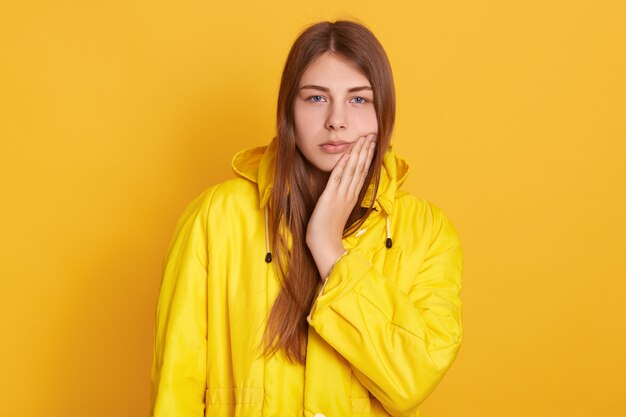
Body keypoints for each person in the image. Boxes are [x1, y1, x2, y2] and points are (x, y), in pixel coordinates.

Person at [150, 20, 463, 417]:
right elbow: (177, 387)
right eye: (316, 98)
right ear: (289, 110)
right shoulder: (216, 217)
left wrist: (329, 247)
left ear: (384, 111)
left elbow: (411, 379)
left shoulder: (428, 233)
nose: (336, 120)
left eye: (358, 99)